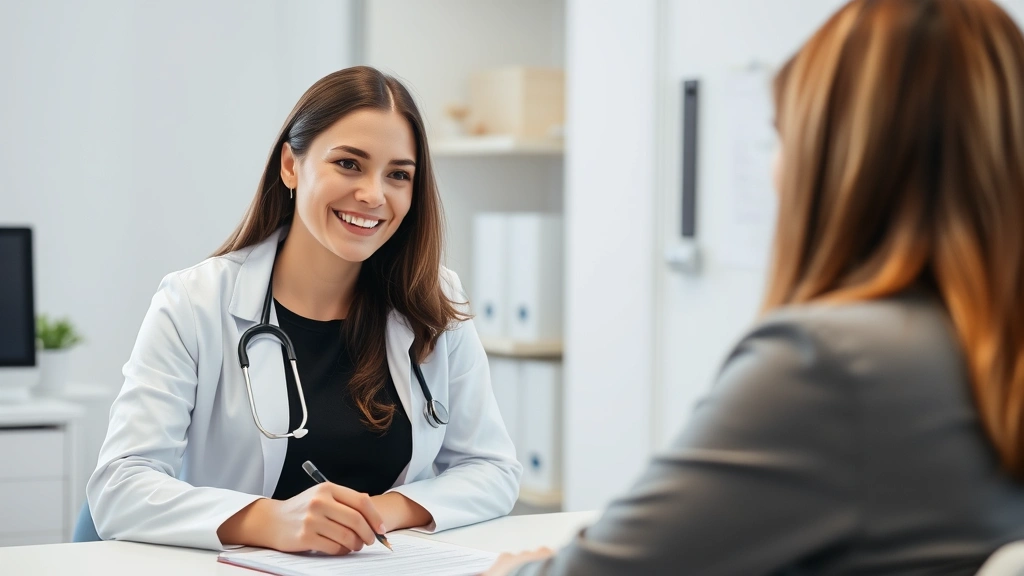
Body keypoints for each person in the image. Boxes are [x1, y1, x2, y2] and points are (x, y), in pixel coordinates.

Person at [489, 0, 1024, 573]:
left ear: (836, 157)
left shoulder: (832, 363)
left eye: (781, 137)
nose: (773, 168)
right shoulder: (988, 350)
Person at [87, 66, 521, 554]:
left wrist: (377, 512)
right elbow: (119, 488)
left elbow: (492, 469)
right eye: (349, 164)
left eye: (398, 174)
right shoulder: (194, 303)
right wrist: (271, 521)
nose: (374, 195)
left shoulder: (431, 299)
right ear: (291, 166)